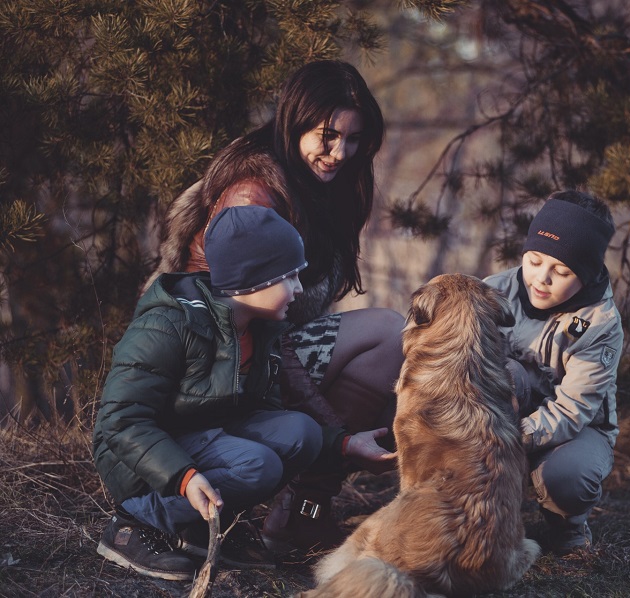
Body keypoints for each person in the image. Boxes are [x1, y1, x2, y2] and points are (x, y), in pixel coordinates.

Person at [144, 60, 405, 554]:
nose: (339, 153)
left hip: (266, 349)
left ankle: (303, 512)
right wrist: (338, 434)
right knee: (387, 334)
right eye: (326, 135)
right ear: (294, 121)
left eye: (352, 140)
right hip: (215, 368)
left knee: (393, 339)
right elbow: (240, 332)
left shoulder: (324, 185)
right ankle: (294, 510)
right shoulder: (253, 195)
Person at [94, 206, 395, 581]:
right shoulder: (168, 324)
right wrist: (184, 477)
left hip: (203, 439)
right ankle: (132, 525)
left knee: (303, 433)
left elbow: (271, 411)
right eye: (289, 277)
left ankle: (202, 529)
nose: (299, 289)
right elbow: (120, 420)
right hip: (141, 463)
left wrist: (344, 443)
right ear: (251, 281)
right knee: (258, 464)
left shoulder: (257, 329)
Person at [483, 190, 624, 555]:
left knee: (568, 477)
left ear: (588, 273)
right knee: (507, 373)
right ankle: (480, 517)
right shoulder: (492, 291)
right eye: (533, 260)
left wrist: (509, 439)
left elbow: (573, 410)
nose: (541, 278)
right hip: (502, 414)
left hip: (574, 430)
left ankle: (567, 526)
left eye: (561, 271)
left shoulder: (600, 324)